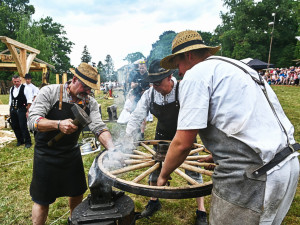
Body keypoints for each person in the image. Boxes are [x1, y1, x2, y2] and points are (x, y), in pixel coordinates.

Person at [157, 30, 299, 225]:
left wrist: (163, 175)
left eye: (178, 65)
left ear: (189, 55)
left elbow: (183, 142)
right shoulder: (237, 67)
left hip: (252, 176)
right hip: (286, 165)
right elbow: (250, 119)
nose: (179, 72)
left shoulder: (196, 75)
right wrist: (221, 153)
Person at [27, 62, 115, 225]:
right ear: (74, 79)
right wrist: (58, 124)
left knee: (76, 192)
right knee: (42, 199)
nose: (88, 92)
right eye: (85, 87)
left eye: (90, 88)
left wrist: (113, 149)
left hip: (71, 153)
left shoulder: (91, 103)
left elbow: (99, 127)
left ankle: (74, 221)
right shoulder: (50, 92)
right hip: (46, 153)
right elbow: (33, 121)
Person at [126, 59, 208, 225]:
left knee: (194, 172)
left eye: (158, 83)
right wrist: (128, 137)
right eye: (152, 83)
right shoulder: (149, 94)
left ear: (170, 77)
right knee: (155, 169)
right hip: (161, 135)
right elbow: (136, 116)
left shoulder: (183, 90)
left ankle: (201, 210)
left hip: (184, 135)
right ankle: (154, 201)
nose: (155, 86)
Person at [9, 74, 33, 148]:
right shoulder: (11, 89)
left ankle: (28, 142)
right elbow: (10, 100)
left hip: (22, 109)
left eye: (18, 81)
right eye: (15, 81)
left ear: (20, 80)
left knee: (23, 126)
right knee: (15, 126)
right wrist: (10, 111)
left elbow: (29, 101)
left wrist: (28, 111)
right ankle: (20, 140)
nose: (16, 83)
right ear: (13, 81)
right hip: (13, 109)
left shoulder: (25, 88)